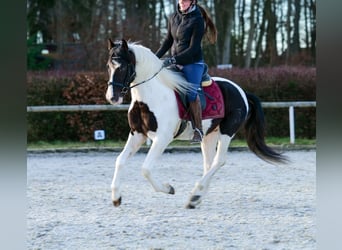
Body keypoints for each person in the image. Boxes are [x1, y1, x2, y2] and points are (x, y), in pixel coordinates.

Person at [155, 0, 217, 143]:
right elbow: (167, 41)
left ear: (193, 1)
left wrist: (173, 60)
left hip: (193, 63)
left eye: (185, 0)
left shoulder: (198, 20)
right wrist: (154, 58)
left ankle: (198, 129)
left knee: (190, 93)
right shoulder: (173, 17)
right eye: (180, 0)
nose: (182, 2)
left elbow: (194, 48)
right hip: (175, 62)